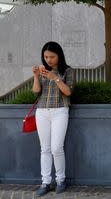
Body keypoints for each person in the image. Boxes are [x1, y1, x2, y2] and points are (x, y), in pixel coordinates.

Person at [31, 42, 74, 196]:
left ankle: (61, 180)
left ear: (59, 55)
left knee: (56, 148)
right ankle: (46, 182)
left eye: (52, 57)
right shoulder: (42, 71)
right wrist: (36, 76)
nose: (48, 60)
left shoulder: (67, 71)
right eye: (46, 57)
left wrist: (55, 77)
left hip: (60, 111)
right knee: (45, 149)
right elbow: (36, 92)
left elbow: (68, 92)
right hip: (42, 111)